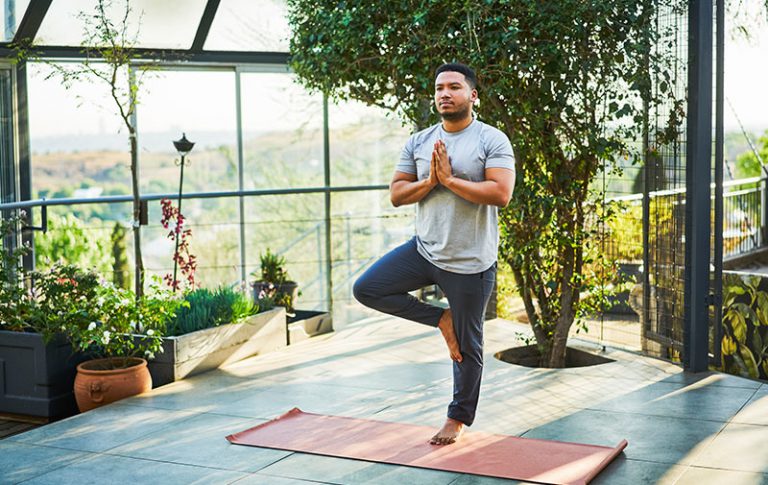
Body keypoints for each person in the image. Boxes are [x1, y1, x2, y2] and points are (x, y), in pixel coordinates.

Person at [353, 63, 516, 445]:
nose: (445, 93)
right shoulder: (419, 141)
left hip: (470, 262)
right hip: (424, 250)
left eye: (454, 87)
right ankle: (440, 319)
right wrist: (430, 181)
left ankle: (456, 419)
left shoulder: (491, 140)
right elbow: (396, 194)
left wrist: (450, 181)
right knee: (367, 288)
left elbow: (500, 194)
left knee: (469, 346)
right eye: (440, 88)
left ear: (472, 95)